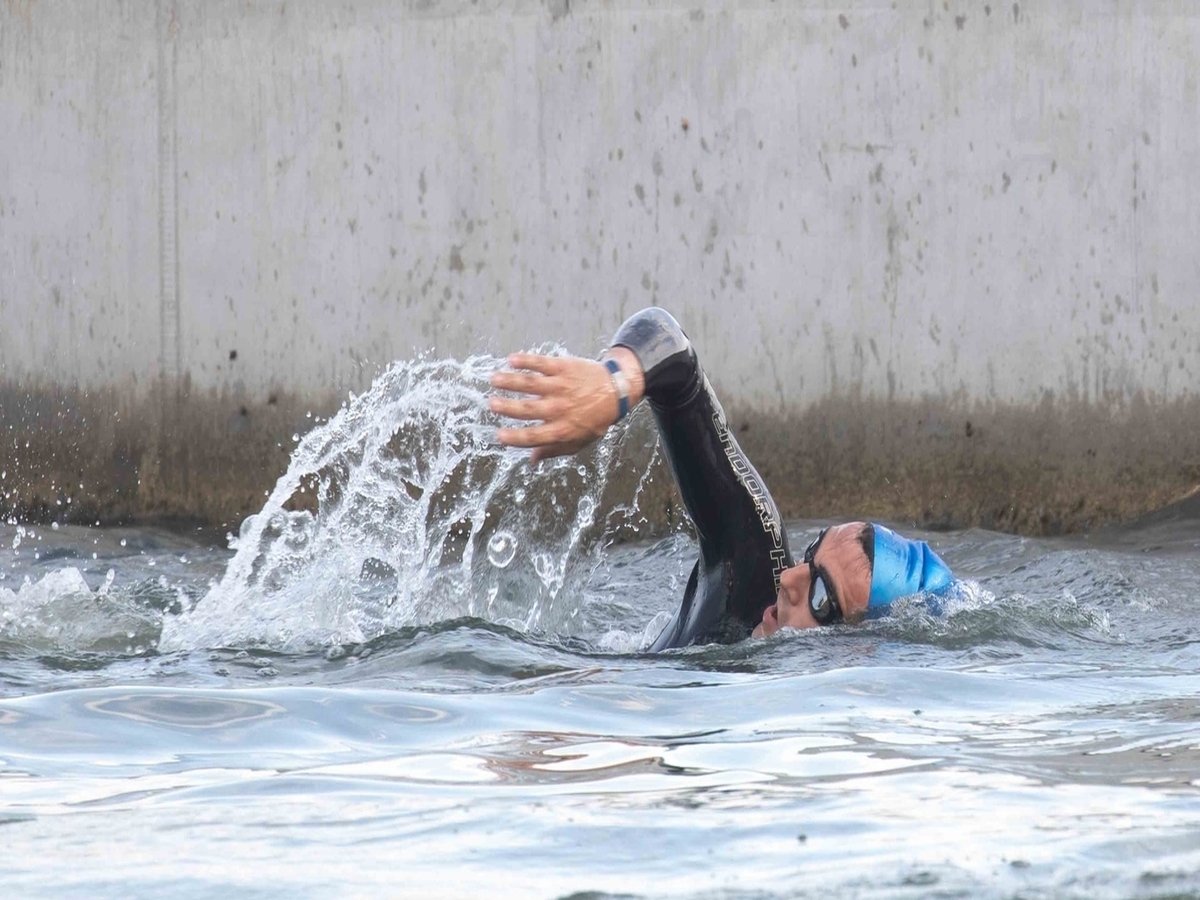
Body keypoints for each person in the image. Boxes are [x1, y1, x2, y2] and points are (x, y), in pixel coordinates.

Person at [489, 307, 954, 650]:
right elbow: (672, 351)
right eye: (811, 557)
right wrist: (614, 383)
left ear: (861, 648)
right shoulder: (753, 573)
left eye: (821, 596)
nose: (789, 578)